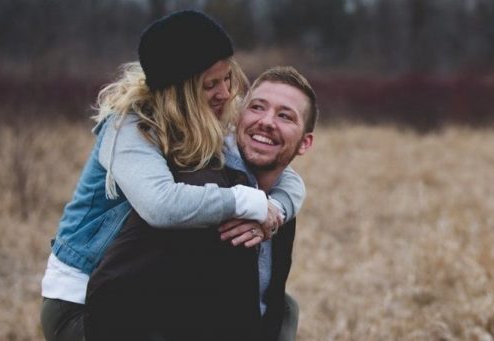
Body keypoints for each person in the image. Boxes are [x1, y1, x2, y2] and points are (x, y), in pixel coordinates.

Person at [39, 11, 305, 341]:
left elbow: (286, 177)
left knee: (280, 308)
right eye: (210, 85)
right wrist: (246, 201)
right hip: (85, 303)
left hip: (140, 288)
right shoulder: (130, 128)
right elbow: (160, 205)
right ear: (179, 91)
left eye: (228, 79)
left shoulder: (212, 118)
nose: (225, 93)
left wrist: (272, 212)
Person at [85, 66, 319, 340]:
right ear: (238, 117)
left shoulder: (277, 203)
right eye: (257, 107)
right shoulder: (200, 190)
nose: (267, 121)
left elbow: (263, 301)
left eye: (284, 116)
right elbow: (114, 289)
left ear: (305, 143)